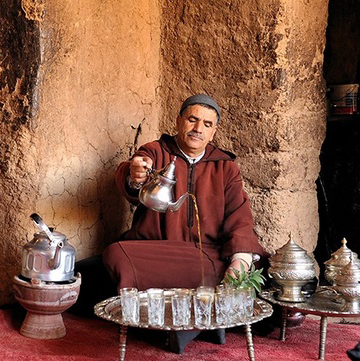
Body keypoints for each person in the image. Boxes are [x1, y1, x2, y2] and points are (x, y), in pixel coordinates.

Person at [102, 94, 269, 353]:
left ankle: (167, 316)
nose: (198, 129)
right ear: (179, 121)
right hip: (155, 251)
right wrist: (135, 173)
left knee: (248, 268)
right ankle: (201, 311)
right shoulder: (157, 152)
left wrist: (239, 263)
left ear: (213, 132)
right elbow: (134, 171)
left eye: (207, 124)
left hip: (205, 253)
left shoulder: (225, 168)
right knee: (116, 253)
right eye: (192, 120)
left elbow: (240, 217)